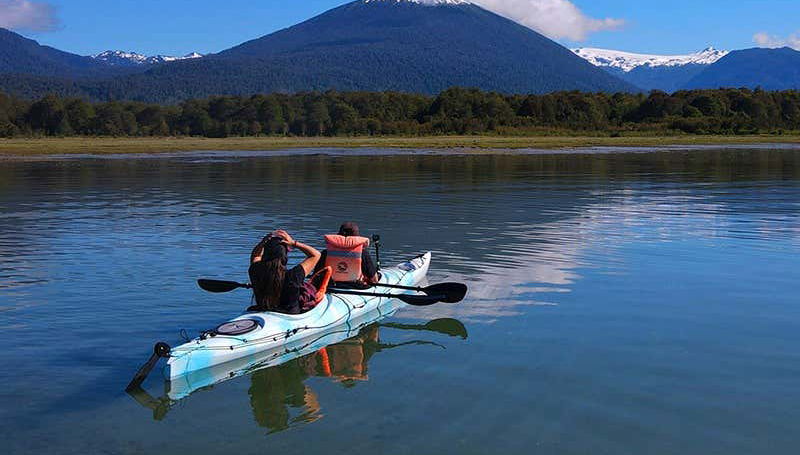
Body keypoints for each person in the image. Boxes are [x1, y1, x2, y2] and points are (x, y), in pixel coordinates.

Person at [248, 230, 330, 314]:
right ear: (284, 255)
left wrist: (263, 242)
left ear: (265, 254)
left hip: (261, 310)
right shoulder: (293, 275)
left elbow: (256, 255)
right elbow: (316, 255)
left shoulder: (255, 271)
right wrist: (293, 243)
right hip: (290, 316)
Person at [315, 222, 379, 286]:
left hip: (330, 286)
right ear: (356, 237)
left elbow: (316, 276)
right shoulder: (363, 253)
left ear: (339, 236)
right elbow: (374, 280)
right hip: (355, 286)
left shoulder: (326, 252)